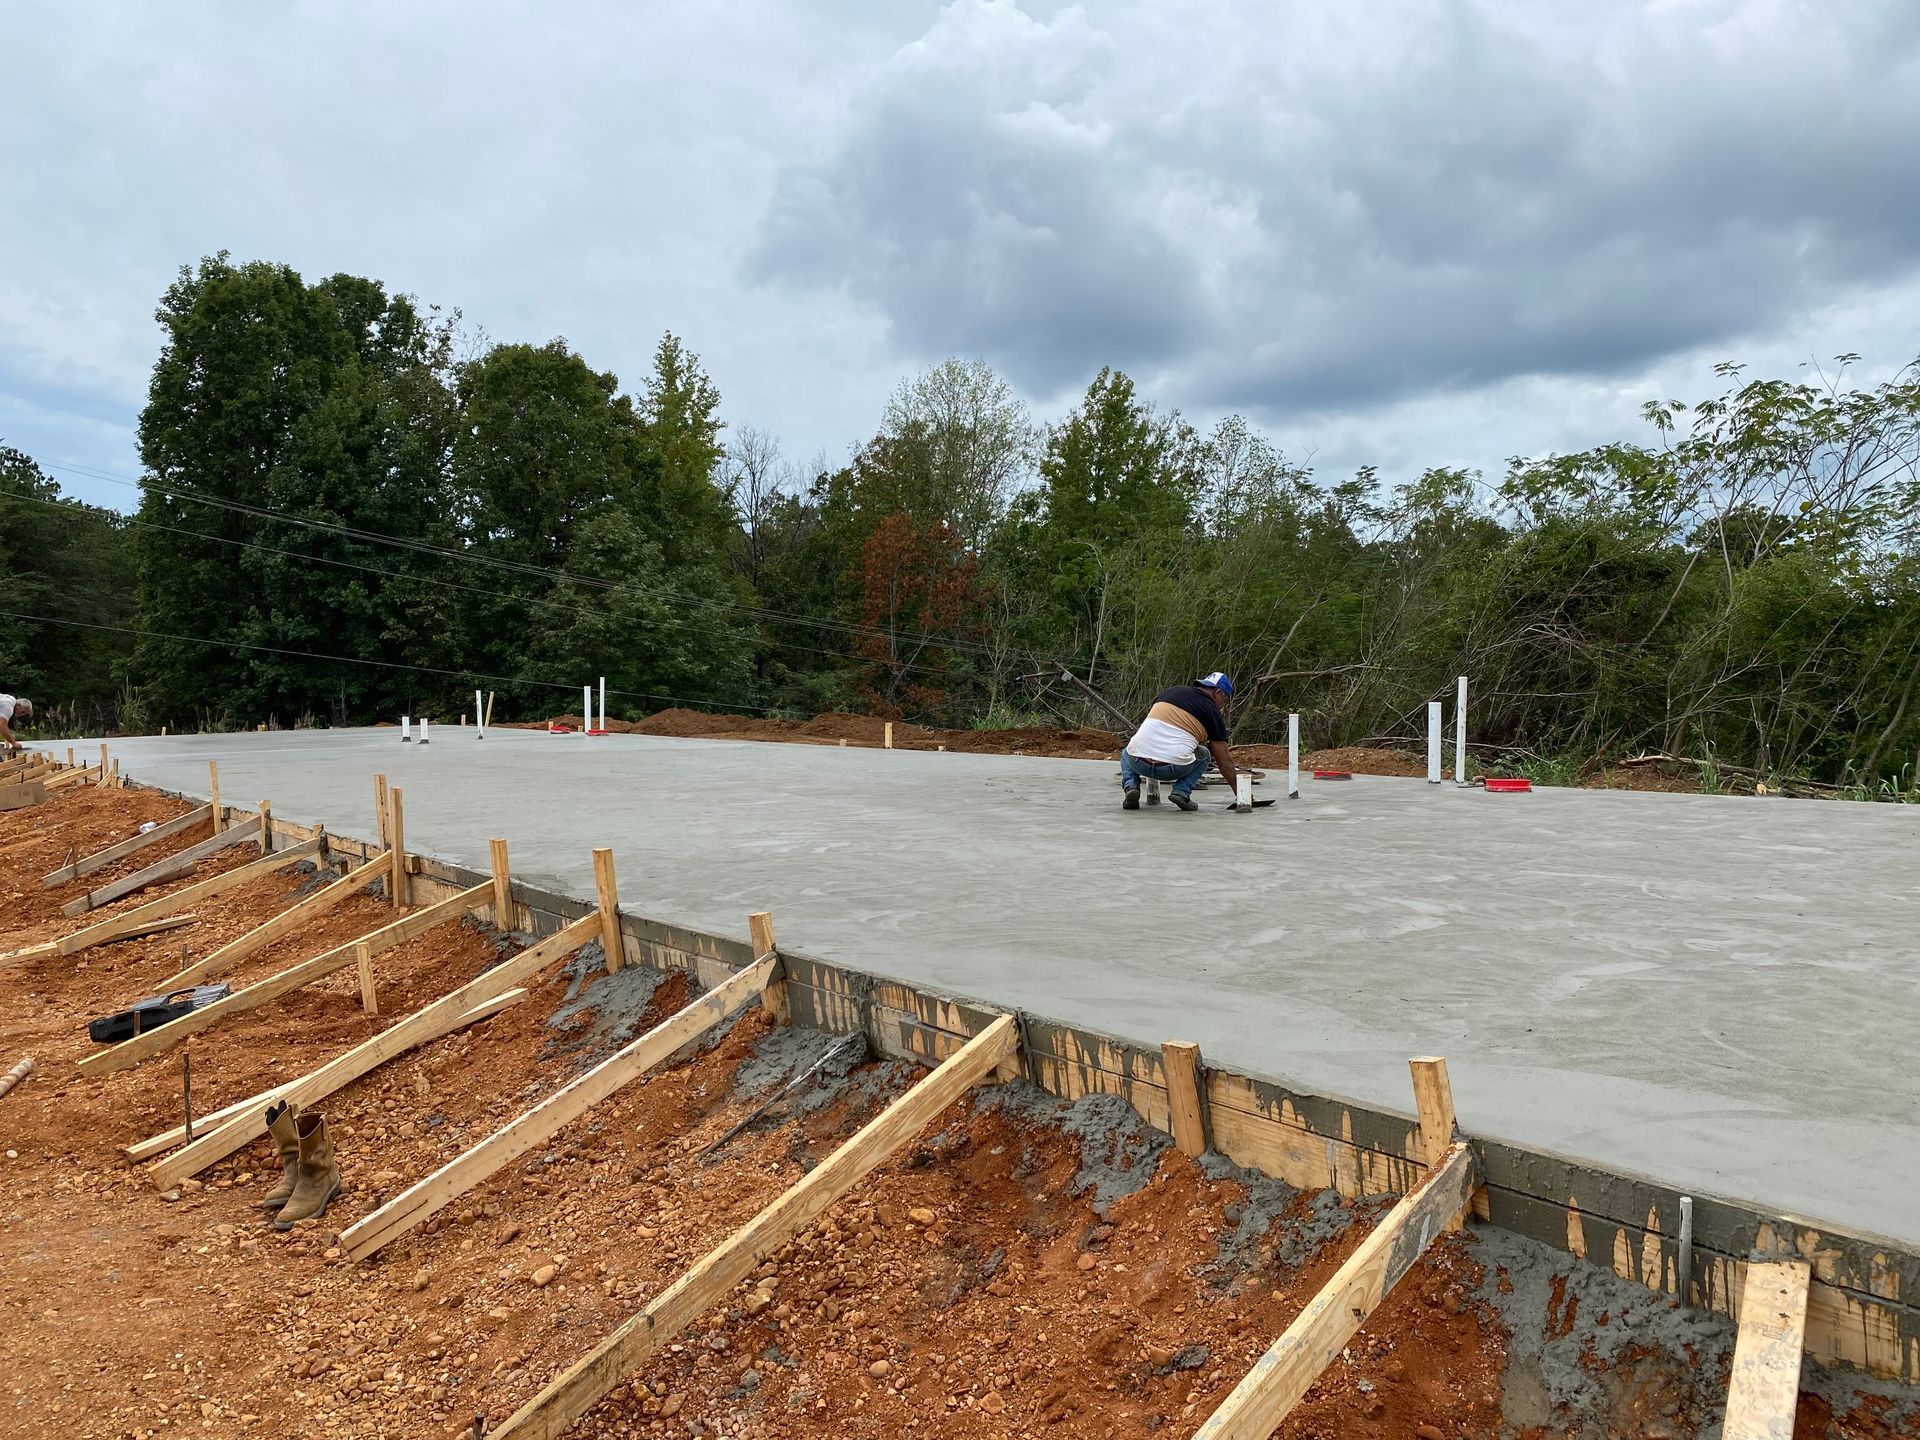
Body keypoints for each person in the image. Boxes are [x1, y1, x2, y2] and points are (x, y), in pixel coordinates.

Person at [1119, 671, 1242, 811]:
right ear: (1218, 693)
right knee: (1204, 754)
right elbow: (1224, 761)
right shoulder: (1212, 712)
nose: (1222, 706)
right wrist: (1241, 793)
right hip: (1171, 768)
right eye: (1225, 701)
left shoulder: (1170, 692)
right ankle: (1181, 793)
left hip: (1138, 762)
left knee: (1128, 750)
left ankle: (1131, 787)